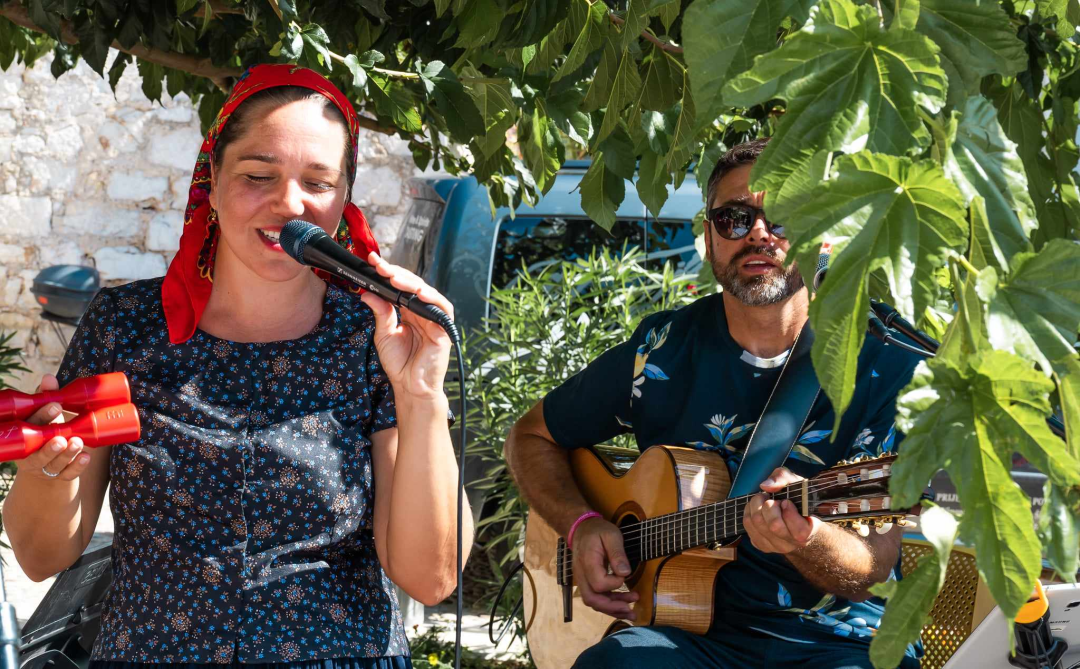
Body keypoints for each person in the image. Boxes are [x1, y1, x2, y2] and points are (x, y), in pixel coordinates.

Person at [2, 64, 471, 668]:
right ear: (212, 182)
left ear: (344, 198)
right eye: (259, 175)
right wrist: (51, 470)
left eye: (318, 182)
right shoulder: (126, 324)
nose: (289, 203)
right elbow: (42, 558)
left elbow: (429, 579)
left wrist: (423, 396)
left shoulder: (374, 337)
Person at [504, 138, 923, 668]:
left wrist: (807, 538)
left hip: (838, 640)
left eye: (786, 216)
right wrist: (582, 522)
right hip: (688, 637)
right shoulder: (662, 349)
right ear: (709, 235)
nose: (758, 234)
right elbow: (532, 435)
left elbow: (872, 566)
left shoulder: (886, 364)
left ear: (827, 236)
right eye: (734, 218)